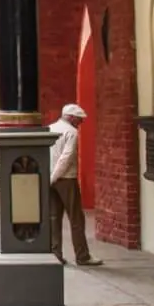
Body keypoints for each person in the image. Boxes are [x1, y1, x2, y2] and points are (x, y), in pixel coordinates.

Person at [49, 103, 102, 266]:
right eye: (79, 119)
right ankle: (82, 255)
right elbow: (66, 157)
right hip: (66, 179)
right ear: (71, 118)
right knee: (76, 219)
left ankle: (55, 253)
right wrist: (55, 176)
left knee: (54, 217)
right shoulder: (71, 132)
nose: (81, 122)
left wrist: (49, 177)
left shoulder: (50, 128)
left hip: (50, 178)